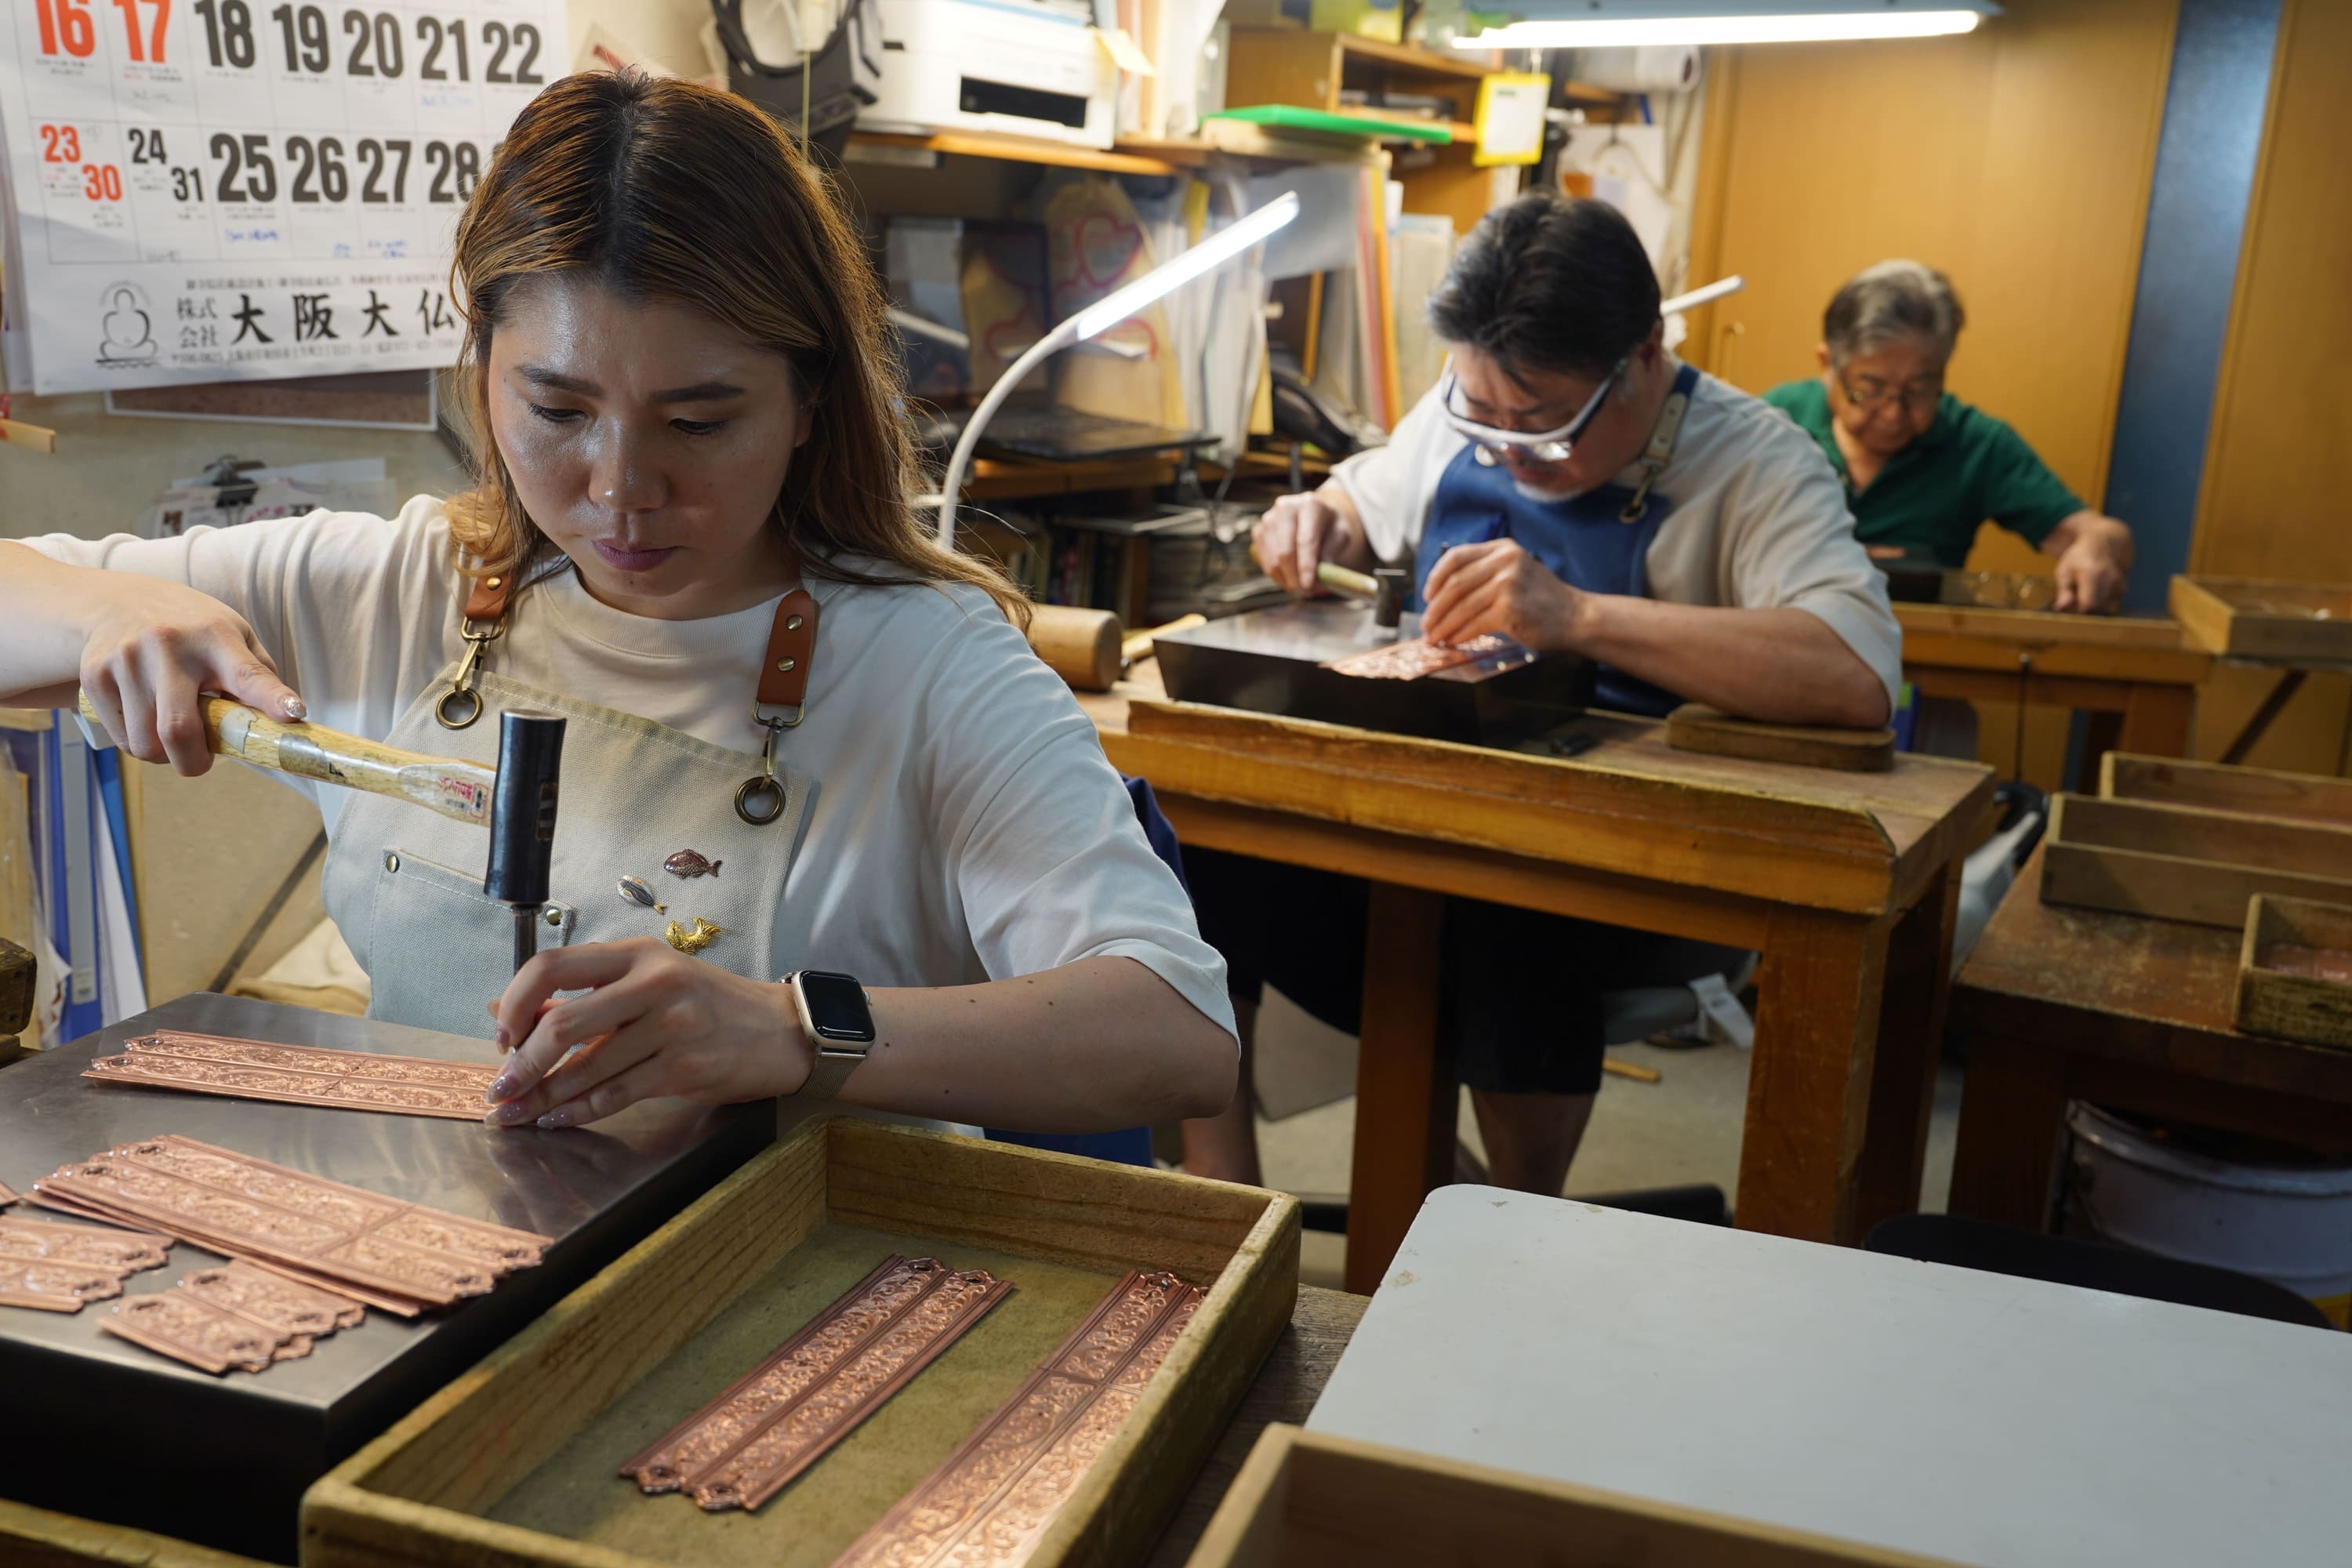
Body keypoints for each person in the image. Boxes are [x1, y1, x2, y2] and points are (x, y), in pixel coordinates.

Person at [0, 72, 1236, 1136]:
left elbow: (1176, 1033)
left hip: (784, 1297)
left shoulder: (930, 670)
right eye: (557, 411)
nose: (622, 489)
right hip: (428, 1243)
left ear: (810, 402)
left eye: (700, 421)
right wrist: (106, 608)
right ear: (483, 372)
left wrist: (792, 1029)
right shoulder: (400, 587)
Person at [1179, 194, 1899, 1193]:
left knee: (1514, 900)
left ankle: (1510, 1224)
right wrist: (1320, 519)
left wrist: (1581, 618)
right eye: (1486, 417)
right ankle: (1219, 1205)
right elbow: (1363, 496)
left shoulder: (1760, 464)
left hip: (1623, 874)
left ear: (1646, 352)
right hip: (1412, 829)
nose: (1509, 448)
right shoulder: (1466, 408)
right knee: (1198, 839)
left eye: (1545, 425)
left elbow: (1854, 675)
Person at [1764, 260, 2135, 612]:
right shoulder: (1776, 419)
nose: (1894, 413)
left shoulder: (1976, 443)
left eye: (1919, 389)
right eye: (1871, 388)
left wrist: (2100, 547)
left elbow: (2099, 533)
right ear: (1828, 364)